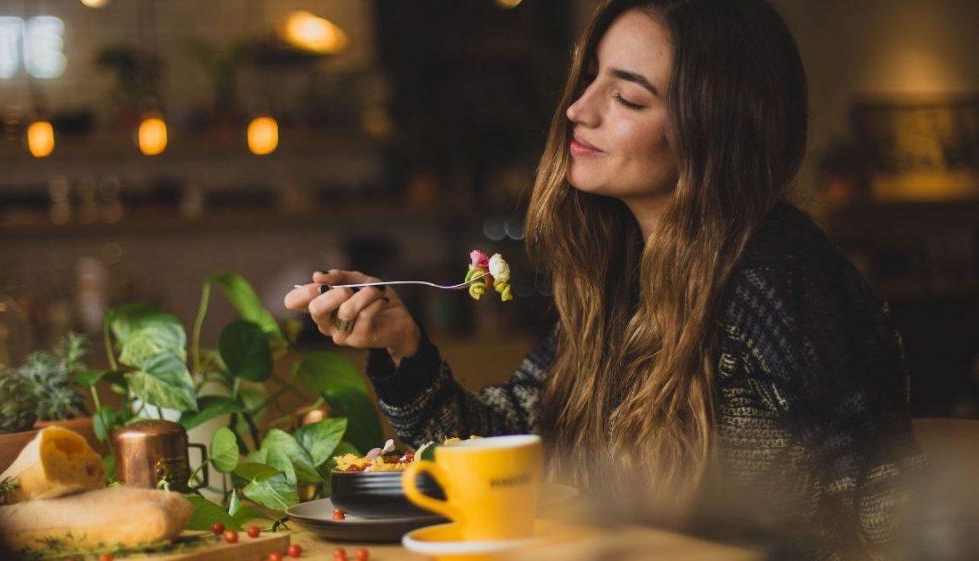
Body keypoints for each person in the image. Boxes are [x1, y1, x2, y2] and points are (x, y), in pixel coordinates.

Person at [285, 0, 924, 558]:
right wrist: (403, 347)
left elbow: (886, 519)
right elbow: (498, 453)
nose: (576, 108)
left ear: (715, 131)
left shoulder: (779, 279)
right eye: (588, 78)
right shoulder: (621, 281)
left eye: (626, 96)